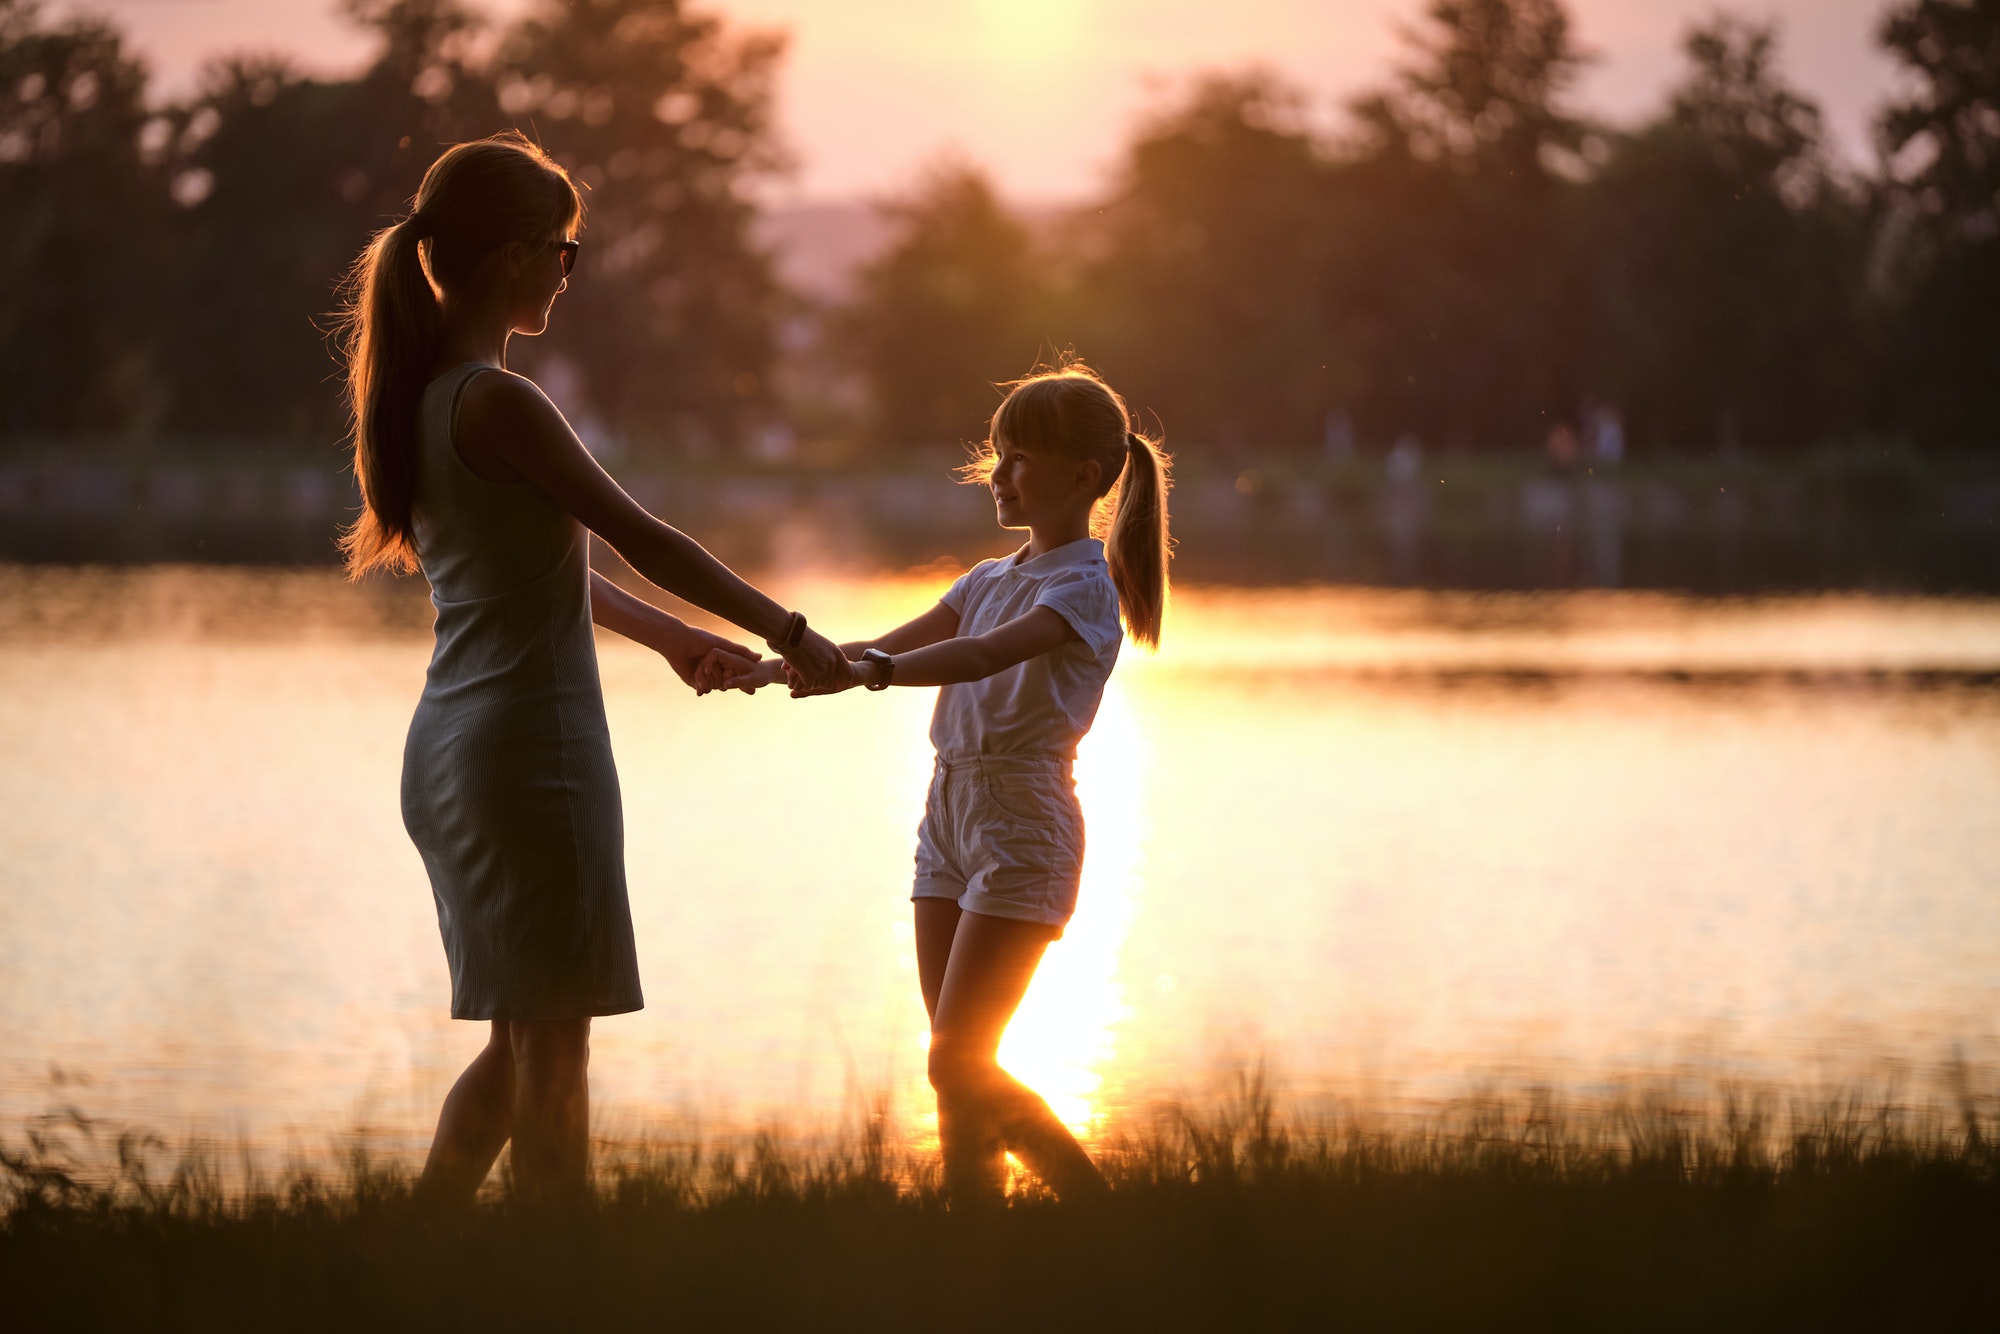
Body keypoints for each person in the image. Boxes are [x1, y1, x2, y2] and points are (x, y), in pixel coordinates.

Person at [332, 132, 851, 1209]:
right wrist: (793, 629)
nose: (568, 273)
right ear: (517, 255)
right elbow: (641, 533)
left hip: (451, 752)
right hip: (533, 755)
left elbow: (543, 572)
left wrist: (674, 640)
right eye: (564, 252)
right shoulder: (499, 401)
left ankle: (408, 1255)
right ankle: (559, 1284)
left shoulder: (424, 399)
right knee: (553, 1057)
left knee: (518, 1041)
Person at [713, 363, 1170, 1203]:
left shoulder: (1084, 587)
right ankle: (973, 1249)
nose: (998, 476)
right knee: (954, 1066)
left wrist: (876, 673)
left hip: (1023, 821)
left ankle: (1106, 1215)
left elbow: (985, 654)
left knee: (957, 1059)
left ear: (1085, 477)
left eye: (1019, 460)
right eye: (998, 457)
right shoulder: (989, 578)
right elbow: (884, 645)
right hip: (949, 813)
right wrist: (789, 667)